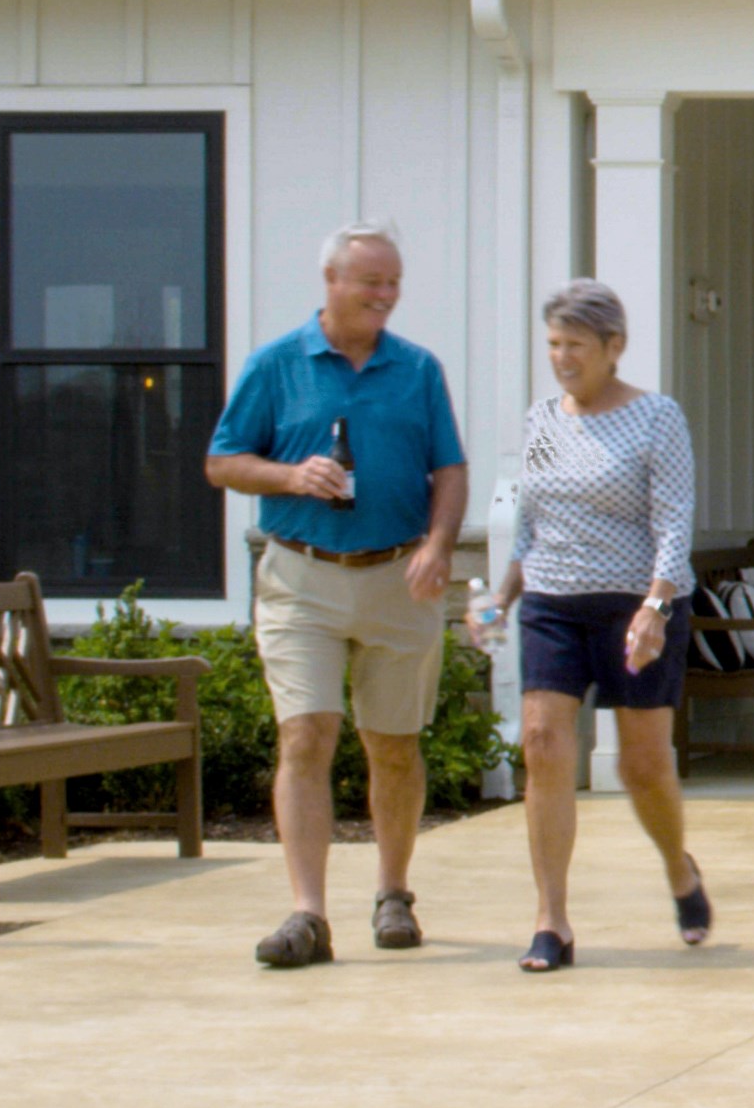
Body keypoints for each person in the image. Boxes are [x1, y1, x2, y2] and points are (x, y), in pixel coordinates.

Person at [200, 222, 469, 969]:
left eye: (392, 283)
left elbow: (449, 470)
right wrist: (290, 476)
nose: (384, 296)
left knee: (393, 746)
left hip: (398, 575)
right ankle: (307, 914)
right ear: (331, 282)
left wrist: (439, 546)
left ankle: (393, 893)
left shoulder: (417, 370)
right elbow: (222, 463)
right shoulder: (277, 365)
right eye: (370, 282)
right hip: (300, 576)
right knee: (306, 735)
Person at [469, 281, 707, 971]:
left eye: (575, 344)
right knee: (543, 740)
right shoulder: (542, 420)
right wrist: (502, 597)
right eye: (552, 344)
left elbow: (672, 522)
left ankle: (678, 871)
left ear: (614, 347)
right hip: (553, 602)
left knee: (641, 765)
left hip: (637, 606)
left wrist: (656, 608)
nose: (562, 357)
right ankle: (552, 921)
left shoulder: (657, 418)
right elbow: (533, 526)